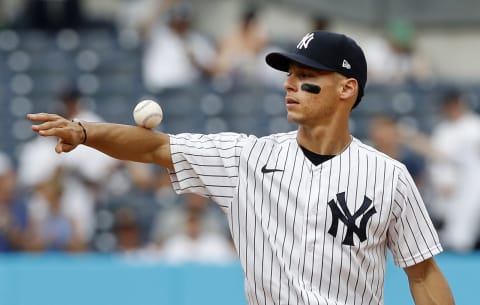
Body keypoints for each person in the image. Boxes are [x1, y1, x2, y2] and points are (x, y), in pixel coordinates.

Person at [27, 30, 454, 305]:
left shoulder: (388, 176)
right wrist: (85, 131)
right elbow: (156, 147)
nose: (289, 83)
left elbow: (423, 273)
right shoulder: (247, 159)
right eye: (289, 73)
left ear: (347, 88)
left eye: (306, 75)